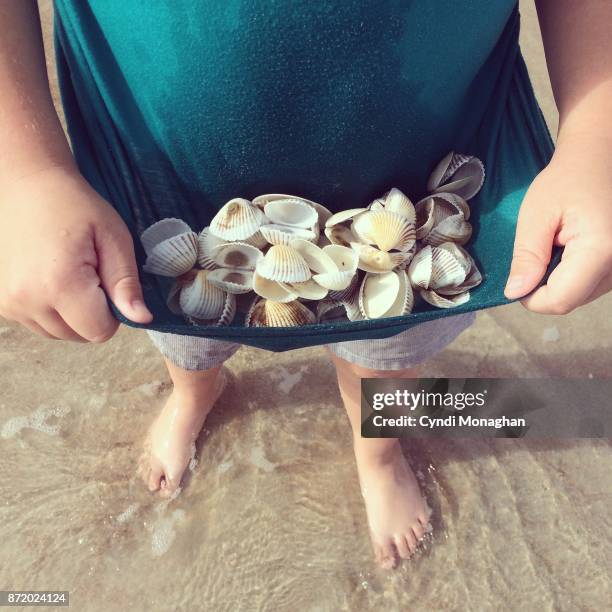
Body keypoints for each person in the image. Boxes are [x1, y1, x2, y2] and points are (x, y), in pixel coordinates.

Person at [1, 1, 611, 571]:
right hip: (165, 171)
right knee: (187, 324)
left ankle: (377, 453)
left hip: (420, 169)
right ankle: (194, 394)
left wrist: (598, 136)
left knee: (388, 353)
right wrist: (24, 169)